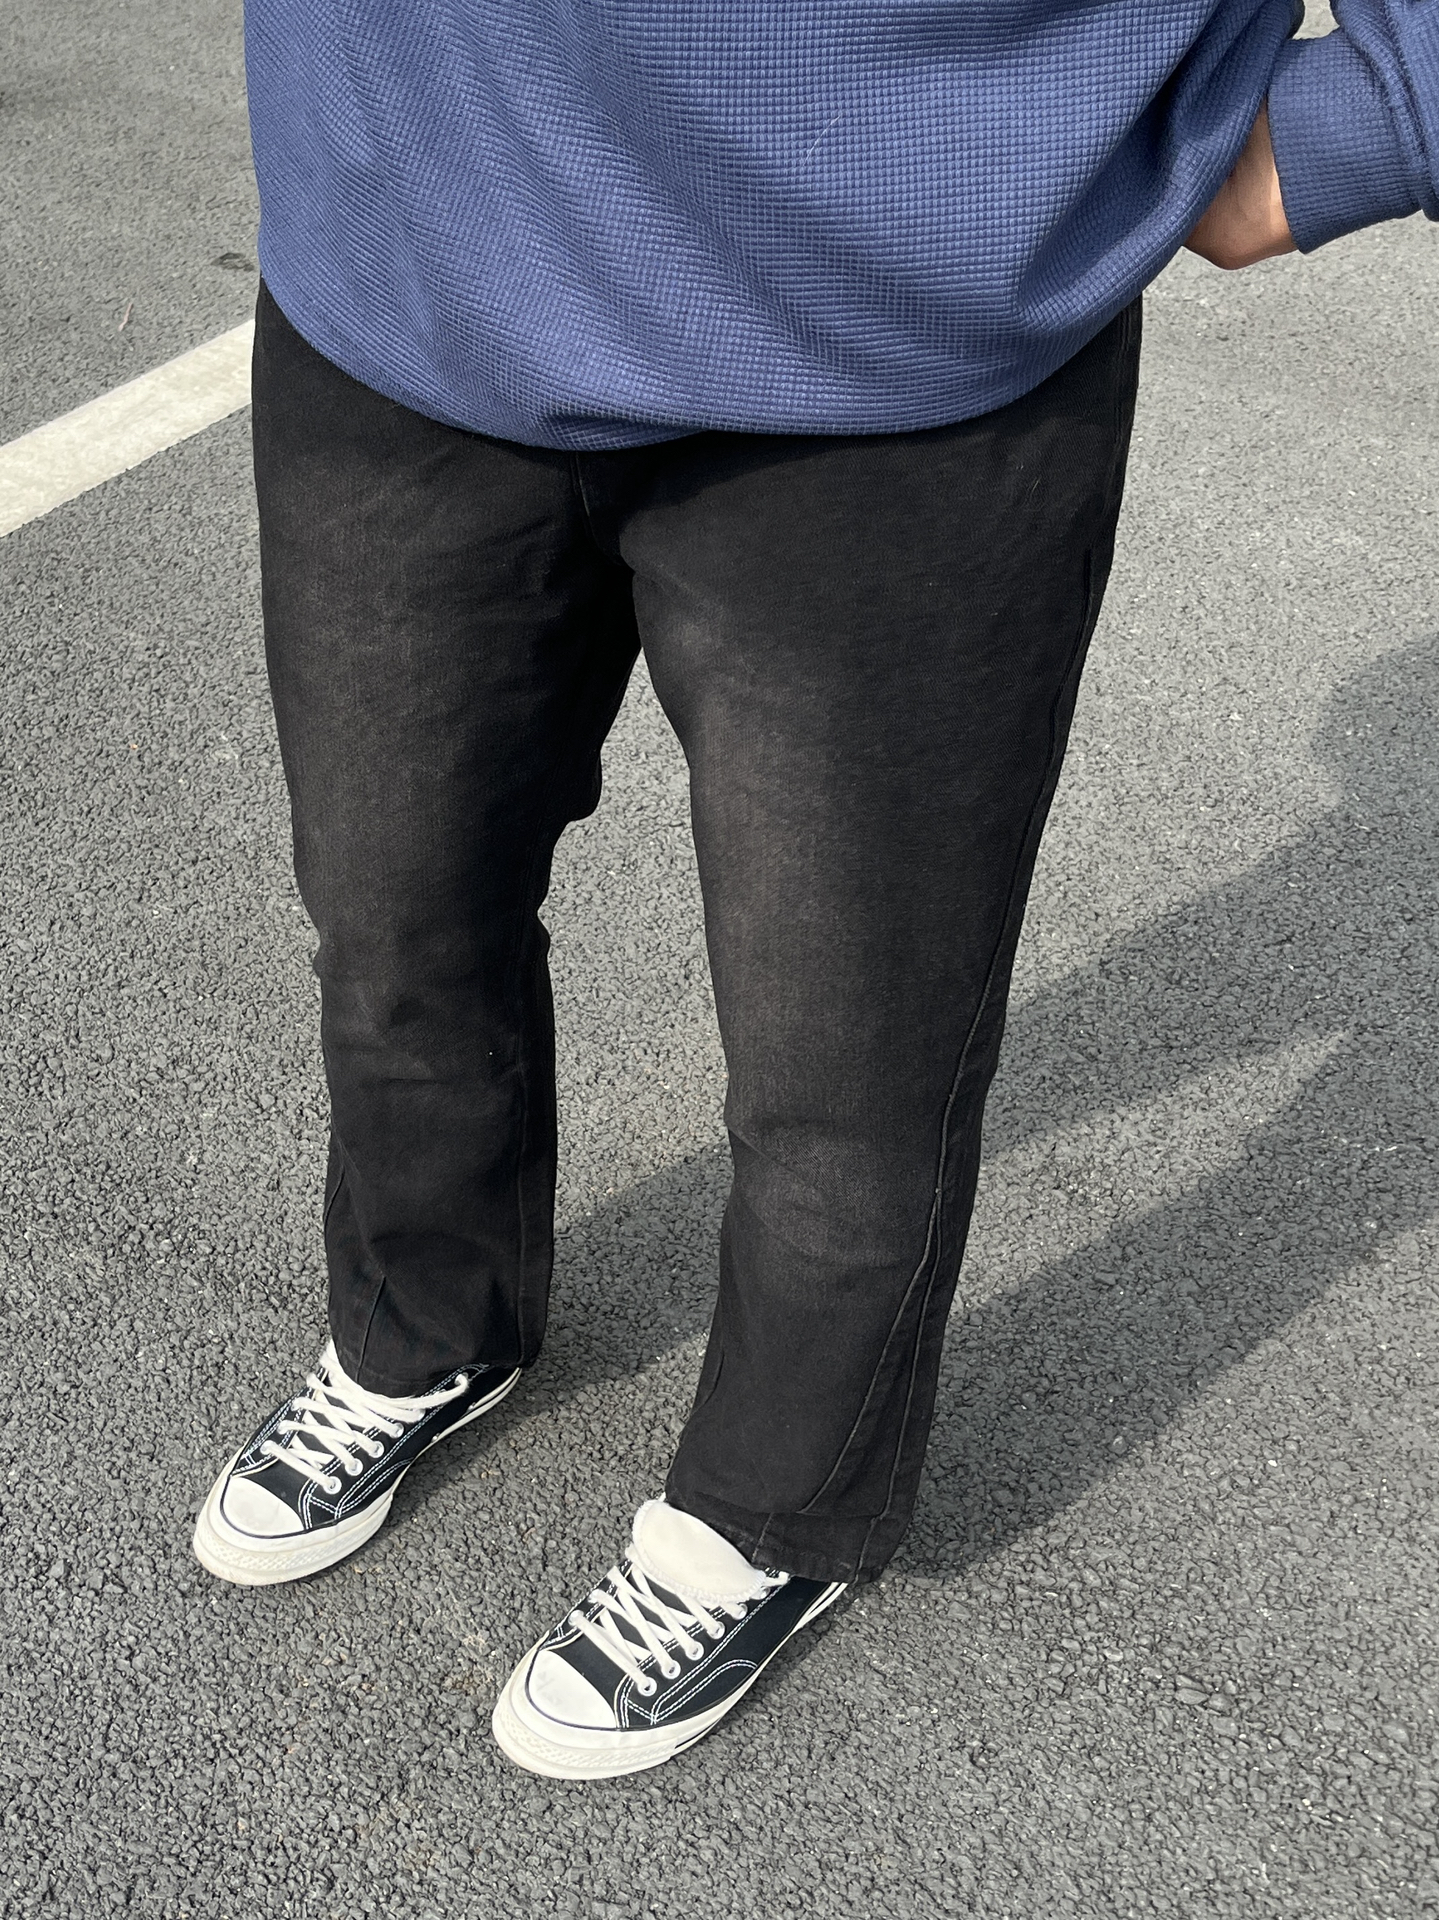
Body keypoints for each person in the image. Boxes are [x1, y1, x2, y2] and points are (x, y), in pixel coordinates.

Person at [191, 0, 1438, 1780]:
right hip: (402, 261)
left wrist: (1379, 109)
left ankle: (775, 1507)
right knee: (395, 919)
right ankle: (425, 1321)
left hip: (896, 354)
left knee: (848, 1062)